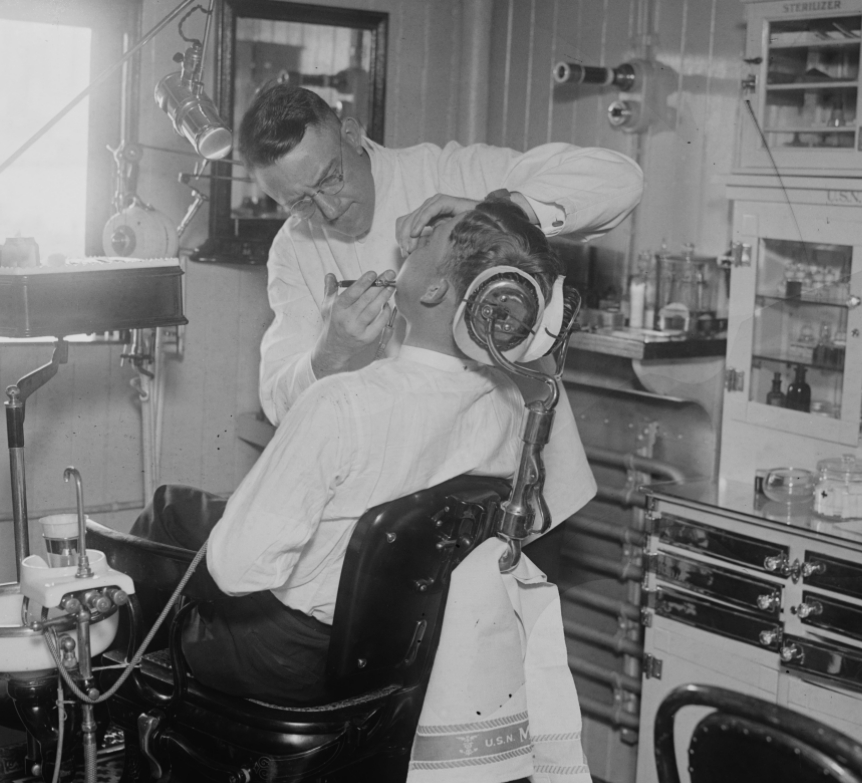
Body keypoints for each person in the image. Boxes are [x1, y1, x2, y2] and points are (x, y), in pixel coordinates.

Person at [135, 197, 563, 705]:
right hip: (400, 655)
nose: (409, 242)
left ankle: (136, 695)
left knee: (169, 517)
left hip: (283, 662)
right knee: (181, 511)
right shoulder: (511, 401)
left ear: (435, 290)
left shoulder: (340, 404)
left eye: (425, 242)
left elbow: (237, 570)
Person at [238, 84, 645, 530]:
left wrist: (501, 211)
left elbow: (622, 179)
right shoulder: (294, 249)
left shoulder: (448, 171)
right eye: (299, 203)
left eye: (330, 177)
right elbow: (279, 399)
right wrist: (330, 351)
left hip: (518, 485)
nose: (329, 210)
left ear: (352, 135)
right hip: (396, 510)